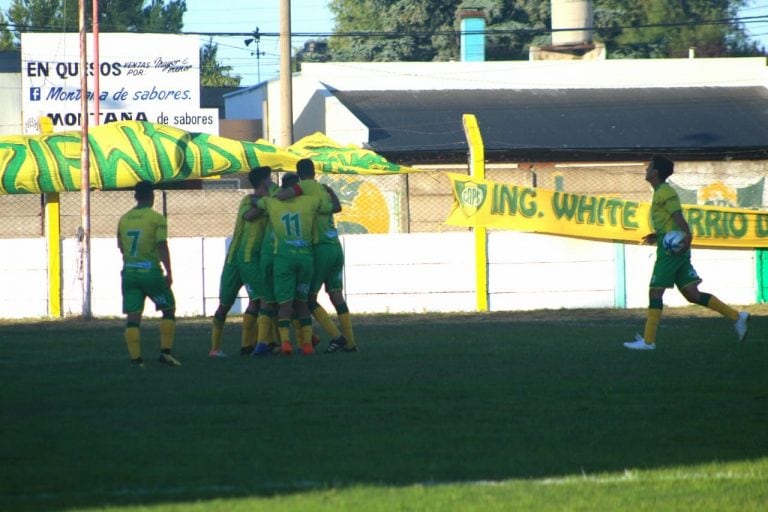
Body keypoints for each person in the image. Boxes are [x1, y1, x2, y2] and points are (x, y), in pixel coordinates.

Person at [624, 155, 749, 350]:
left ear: (656, 172)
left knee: (655, 291)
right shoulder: (660, 191)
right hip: (674, 248)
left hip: (671, 253)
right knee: (692, 294)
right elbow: (670, 221)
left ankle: (648, 341)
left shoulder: (665, 192)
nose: (646, 170)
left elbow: (678, 216)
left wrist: (687, 237)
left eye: (649, 167)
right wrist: (657, 236)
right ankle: (737, 317)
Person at [277, 158, 358, 353]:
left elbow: (283, 196)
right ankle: (351, 343)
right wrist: (330, 192)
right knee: (336, 295)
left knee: (308, 299)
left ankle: (337, 337)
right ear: (314, 172)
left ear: (299, 173)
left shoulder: (302, 187)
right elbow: (337, 208)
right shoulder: (322, 189)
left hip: (320, 248)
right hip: (335, 247)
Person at [251, 172, 333, 355]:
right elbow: (332, 207)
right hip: (306, 259)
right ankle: (307, 345)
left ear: (284, 186)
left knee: (284, 305)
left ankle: (286, 343)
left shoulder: (273, 203)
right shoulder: (310, 201)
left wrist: (269, 192)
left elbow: (255, 203)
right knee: (303, 304)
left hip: (283, 259)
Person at [209, 166, 273, 358]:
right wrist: (268, 203)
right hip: (242, 259)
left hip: (242, 259)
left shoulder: (261, 201)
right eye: (270, 179)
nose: (272, 182)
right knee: (232, 304)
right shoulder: (248, 200)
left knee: (255, 300)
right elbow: (249, 215)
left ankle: (247, 346)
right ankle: (217, 348)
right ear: (264, 182)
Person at [117, 180, 181, 367]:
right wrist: (169, 272)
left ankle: (136, 361)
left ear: (135, 196)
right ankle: (165, 353)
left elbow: (121, 246)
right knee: (168, 308)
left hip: (129, 274)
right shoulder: (156, 219)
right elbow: (162, 245)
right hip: (150, 274)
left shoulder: (124, 219)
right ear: (152, 196)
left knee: (133, 316)